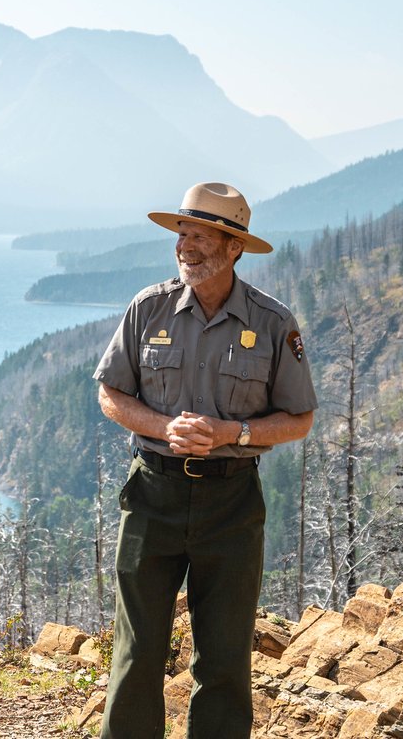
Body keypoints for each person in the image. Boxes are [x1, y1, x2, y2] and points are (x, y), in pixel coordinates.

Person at [93, 182, 317, 739]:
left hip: (232, 501)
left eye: (201, 236)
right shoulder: (149, 308)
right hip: (152, 495)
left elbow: (299, 418)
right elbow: (110, 394)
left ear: (235, 246)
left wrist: (231, 433)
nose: (185, 246)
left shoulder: (272, 322)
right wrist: (164, 426)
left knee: (224, 657)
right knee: (137, 651)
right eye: (182, 234)